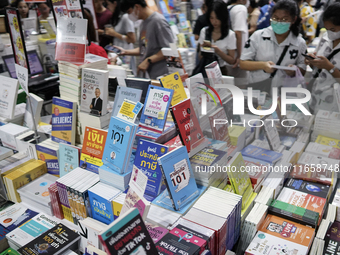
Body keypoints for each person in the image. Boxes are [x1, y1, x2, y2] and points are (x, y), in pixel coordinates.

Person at [240, 0, 307, 89]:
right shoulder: (258, 36)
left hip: (283, 91)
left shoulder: (299, 43)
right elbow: (243, 63)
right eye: (275, 18)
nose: (279, 22)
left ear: (293, 19)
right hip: (258, 88)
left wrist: (294, 70)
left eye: (284, 19)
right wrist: (263, 65)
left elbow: (303, 69)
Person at [119, 0, 174, 79]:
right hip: (149, 75)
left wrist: (148, 60)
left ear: (137, 7)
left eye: (129, 12)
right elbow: (145, 49)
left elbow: (170, 49)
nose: (129, 15)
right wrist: (125, 52)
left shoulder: (158, 21)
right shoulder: (143, 23)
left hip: (161, 76)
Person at [306, 2, 340, 113]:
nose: (330, 33)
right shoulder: (326, 38)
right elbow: (318, 67)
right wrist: (312, 61)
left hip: (334, 106)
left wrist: (330, 67)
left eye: (333, 30)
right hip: (315, 97)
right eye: (327, 29)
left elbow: (328, 67)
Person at [198, 0, 236, 75]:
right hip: (204, 70)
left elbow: (231, 60)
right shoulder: (204, 31)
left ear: (223, 17)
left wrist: (217, 50)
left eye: (217, 18)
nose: (214, 22)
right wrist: (203, 49)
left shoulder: (230, 35)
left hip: (221, 71)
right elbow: (200, 57)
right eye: (211, 18)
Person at [103, 0, 136, 72]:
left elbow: (132, 39)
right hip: (117, 54)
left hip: (126, 55)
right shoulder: (117, 18)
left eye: (108, 4)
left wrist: (114, 34)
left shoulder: (126, 18)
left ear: (114, 3)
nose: (107, 7)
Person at [228, 0, 249, 86]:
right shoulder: (240, 9)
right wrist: (240, 57)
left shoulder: (228, 8)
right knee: (241, 88)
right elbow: (238, 32)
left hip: (228, 54)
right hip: (237, 56)